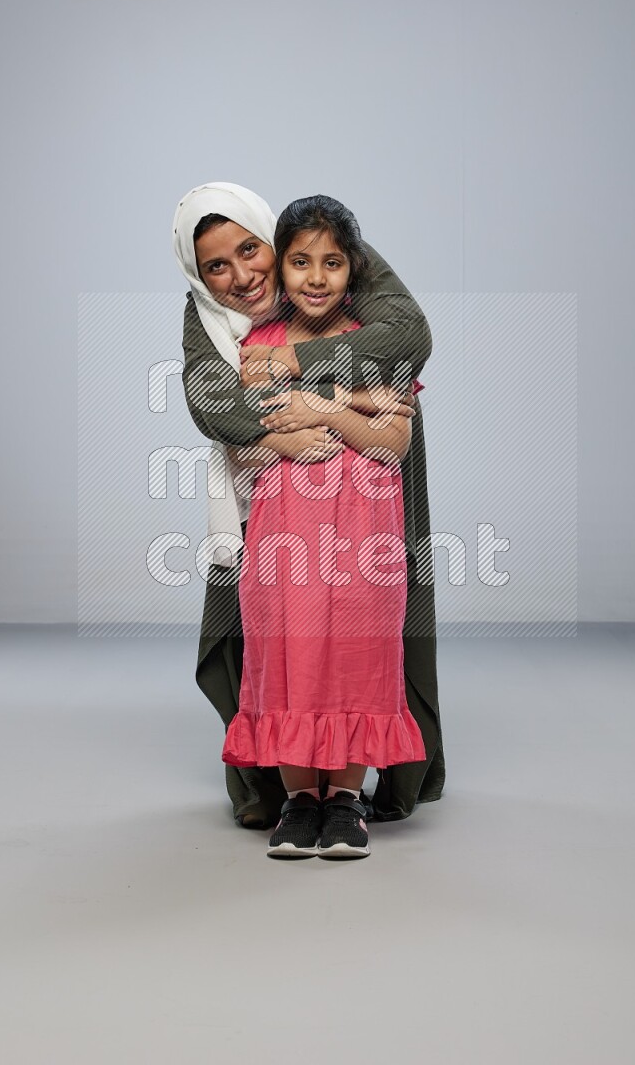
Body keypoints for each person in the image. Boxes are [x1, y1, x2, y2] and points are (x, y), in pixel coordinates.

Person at [173, 182, 444, 831]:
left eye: (249, 251)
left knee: (370, 629)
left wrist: (300, 374)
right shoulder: (205, 319)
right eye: (216, 265)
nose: (240, 275)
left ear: (272, 240)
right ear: (196, 269)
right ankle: (271, 789)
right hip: (265, 497)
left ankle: (368, 784)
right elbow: (214, 401)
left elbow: (407, 337)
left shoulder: (327, 251)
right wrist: (305, 418)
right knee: (262, 635)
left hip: (364, 499)